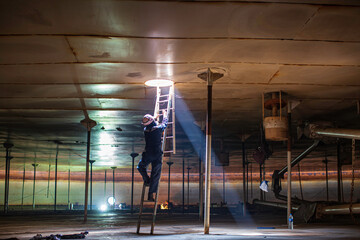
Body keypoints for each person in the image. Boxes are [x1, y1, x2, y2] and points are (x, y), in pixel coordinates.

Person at [137, 109, 168, 201]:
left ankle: (147, 180)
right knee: (155, 174)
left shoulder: (145, 130)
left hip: (148, 154)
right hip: (157, 154)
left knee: (140, 167)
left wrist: (154, 118)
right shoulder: (158, 129)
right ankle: (151, 194)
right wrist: (165, 114)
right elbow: (164, 124)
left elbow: (149, 124)